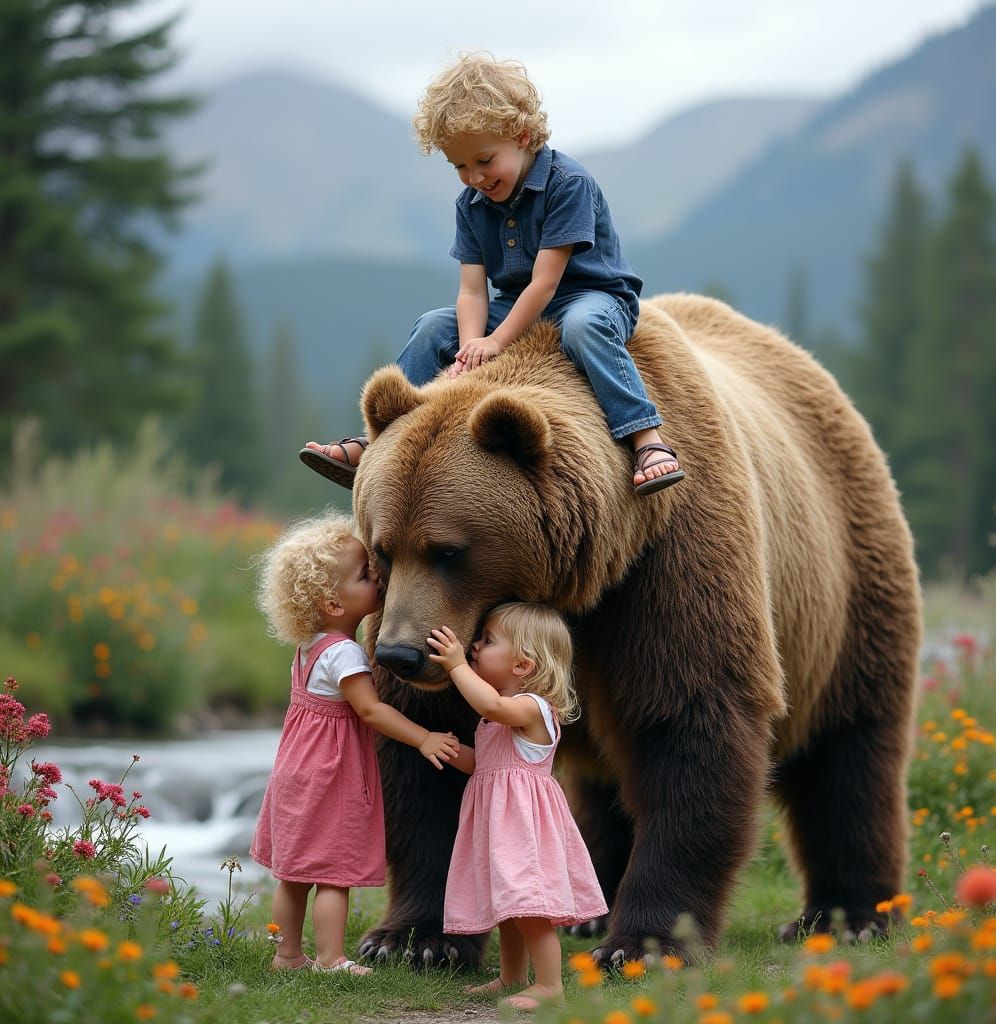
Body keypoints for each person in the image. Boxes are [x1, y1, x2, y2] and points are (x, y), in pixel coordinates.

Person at [301, 52, 685, 497]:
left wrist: (497, 342)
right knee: (431, 327)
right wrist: (470, 349)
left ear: (521, 136)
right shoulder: (470, 205)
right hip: (510, 303)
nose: (473, 177)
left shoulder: (568, 184)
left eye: (484, 160)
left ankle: (646, 439)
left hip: (588, 295)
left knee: (584, 328)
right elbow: (471, 290)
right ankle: (376, 442)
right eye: (459, 166)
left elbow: (546, 282)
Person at [249, 511, 460, 974]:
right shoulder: (346, 654)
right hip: (330, 771)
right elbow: (370, 709)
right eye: (367, 574)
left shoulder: (309, 648)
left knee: (294, 874)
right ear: (332, 602)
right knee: (331, 874)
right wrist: (423, 737)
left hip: (295, 768)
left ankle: (287, 955)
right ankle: (330, 958)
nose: (381, 580)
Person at [426, 603, 607, 1012]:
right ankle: (512, 976)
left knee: (529, 907)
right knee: (509, 905)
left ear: (523, 664)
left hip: (523, 828)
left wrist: (457, 666)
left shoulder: (530, 708)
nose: (474, 646)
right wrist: (454, 752)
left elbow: (491, 705)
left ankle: (550, 984)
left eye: (488, 641)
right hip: (498, 824)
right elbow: (485, 764)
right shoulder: (497, 719)